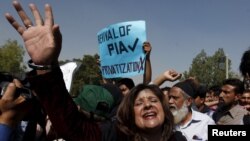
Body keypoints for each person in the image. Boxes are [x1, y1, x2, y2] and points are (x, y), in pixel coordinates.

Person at [4, 1, 187, 141]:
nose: (147, 105)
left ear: (164, 109)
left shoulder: (179, 139)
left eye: (153, 100)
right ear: (129, 114)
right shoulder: (114, 135)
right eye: (139, 103)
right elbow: (73, 127)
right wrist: (45, 66)